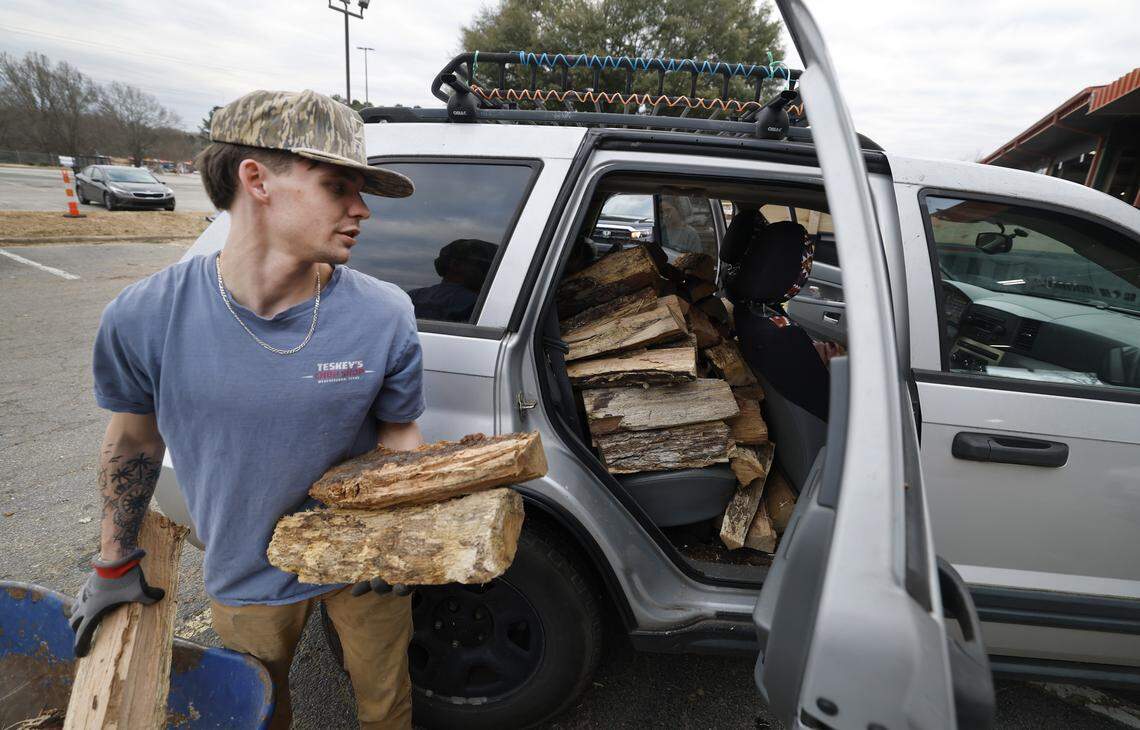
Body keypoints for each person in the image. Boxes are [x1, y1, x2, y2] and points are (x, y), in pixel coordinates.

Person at [68, 89, 423, 730]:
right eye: (338, 186)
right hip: (244, 568)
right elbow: (133, 443)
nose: (362, 209)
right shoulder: (145, 315)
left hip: (361, 563)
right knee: (256, 712)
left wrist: (395, 540)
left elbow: (399, 432)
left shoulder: (385, 313)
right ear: (255, 179)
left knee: (385, 703)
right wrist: (115, 559)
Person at [408, 238, 497, 322]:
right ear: (455, 265)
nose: (488, 272)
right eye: (480, 265)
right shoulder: (478, 304)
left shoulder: (411, 297)